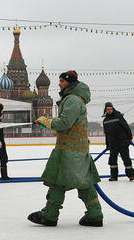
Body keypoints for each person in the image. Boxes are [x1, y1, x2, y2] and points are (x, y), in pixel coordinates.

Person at [29, 70, 103, 227]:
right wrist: (49, 122)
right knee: (83, 182)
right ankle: (94, 214)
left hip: (70, 149)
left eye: (62, 81)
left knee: (59, 180)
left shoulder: (72, 100)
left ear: (69, 83)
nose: (59, 84)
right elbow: (69, 123)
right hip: (76, 148)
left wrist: (49, 123)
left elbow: (65, 123)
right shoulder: (74, 99)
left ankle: (50, 214)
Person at [103, 102, 134, 181]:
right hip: (113, 144)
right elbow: (106, 134)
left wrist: (129, 137)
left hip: (122, 142)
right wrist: (107, 144)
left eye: (111, 109)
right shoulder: (105, 120)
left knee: (126, 159)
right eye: (108, 109)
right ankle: (114, 176)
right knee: (112, 161)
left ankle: (130, 175)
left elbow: (126, 127)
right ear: (105, 110)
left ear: (113, 109)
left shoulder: (118, 117)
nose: (109, 110)